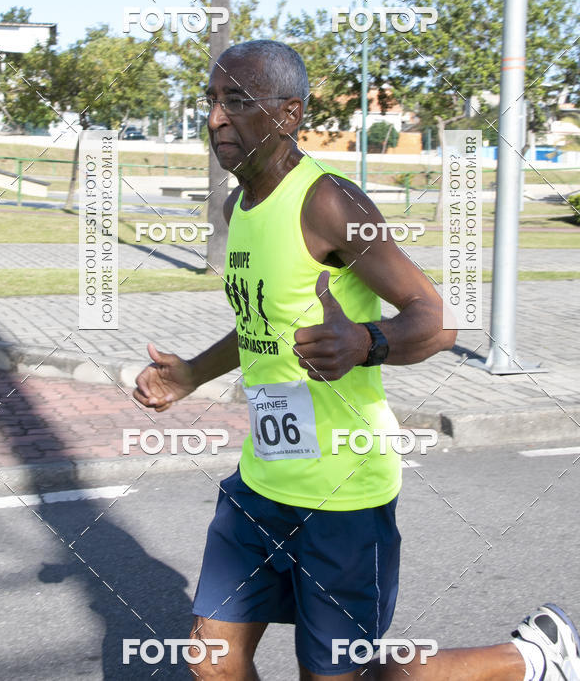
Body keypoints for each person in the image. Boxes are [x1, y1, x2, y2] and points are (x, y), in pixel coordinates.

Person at [134, 40, 580, 681]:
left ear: (289, 115)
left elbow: (440, 320)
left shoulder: (331, 203)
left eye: (237, 101)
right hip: (261, 484)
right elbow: (266, 322)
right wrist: (189, 376)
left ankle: (528, 658)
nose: (215, 118)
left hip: (343, 495)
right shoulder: (240, 206)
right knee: (212, 662)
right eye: (211, 100)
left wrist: (366, 343)